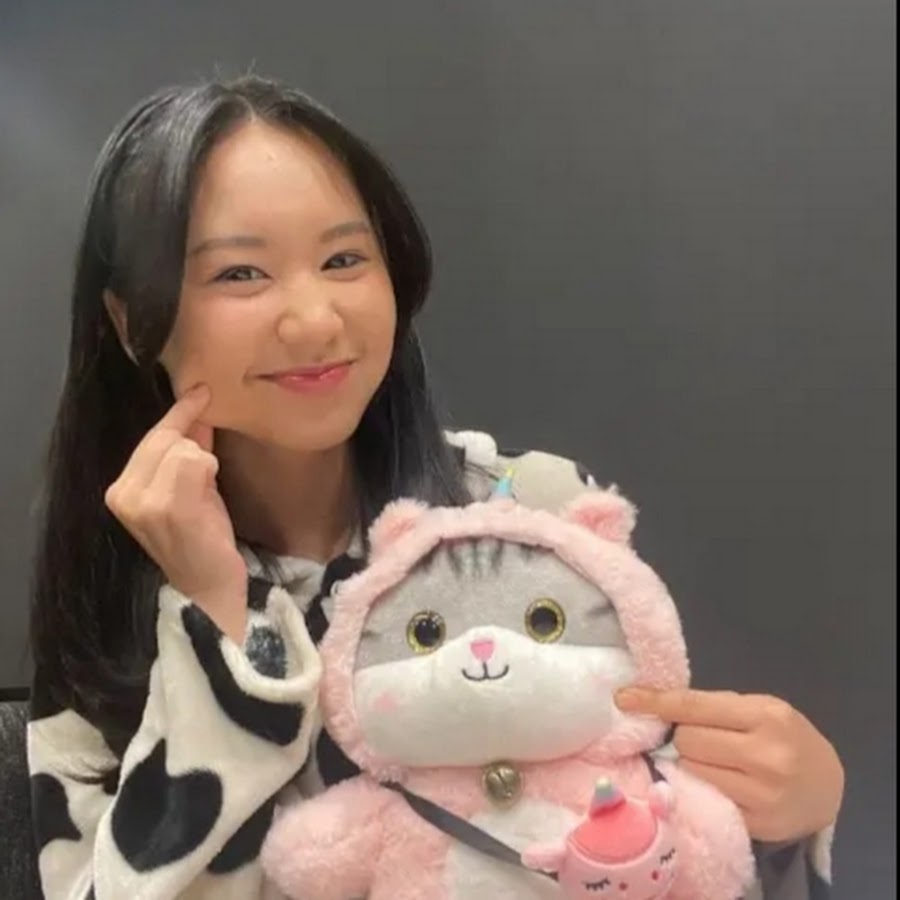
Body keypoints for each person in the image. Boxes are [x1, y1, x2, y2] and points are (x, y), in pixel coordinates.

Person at [26, 75, 843, 900]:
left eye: (344, 259)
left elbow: (663, 842)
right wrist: (214, 616)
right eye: (239, 273)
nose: (315, 320)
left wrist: (790, 817)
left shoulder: (530, 511)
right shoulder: (109, 604)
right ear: (132, 322)